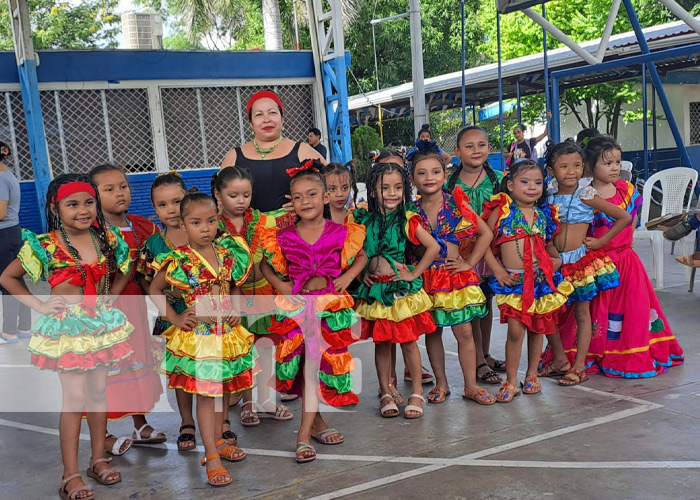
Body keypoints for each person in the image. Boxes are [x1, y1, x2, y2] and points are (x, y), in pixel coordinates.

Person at [0, 173, 134, 500]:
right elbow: (8, 277)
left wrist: (113, 295)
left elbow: (127, 268)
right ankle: (70, 474)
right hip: (68, 330)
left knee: (99, 394)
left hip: (100, 327)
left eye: (89, 202)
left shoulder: (108, 238)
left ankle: (98, 460)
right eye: (72, 204)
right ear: (55, 208)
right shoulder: (45, 245)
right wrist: (41, 306)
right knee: (74, 400)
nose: (83, 210)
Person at [549, 136, 684, 378]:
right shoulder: (578, 192)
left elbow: (627, 219)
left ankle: (624, 352)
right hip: (593, 264)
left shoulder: (622, 190)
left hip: (624, 262)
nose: (614, 168)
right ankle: (585, 354)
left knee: (629, 310)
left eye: (617, 162)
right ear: (590, 166)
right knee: (593, 311)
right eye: (607, 163)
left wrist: (610, 239)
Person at [259, 160, 367, 462]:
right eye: (298, 197)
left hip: (329, 308)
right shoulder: (284, 235)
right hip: (296, 309)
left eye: (311, 195)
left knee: (316, 367)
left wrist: (346, 278)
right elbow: (265, 264)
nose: (305, 201)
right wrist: (281, 287)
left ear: (325, 197)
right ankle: (307, 432)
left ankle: (310, 428)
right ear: (291, 203)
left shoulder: (341, 231)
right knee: (307, 366)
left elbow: (362, 255)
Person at [150, 192, 255, 487]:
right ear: (183, 224)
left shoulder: (226, 254)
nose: (205, 228)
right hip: (198, 336)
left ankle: (220, 441)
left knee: (221, 392)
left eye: (210, 221)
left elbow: (233, 286)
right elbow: (155, 289)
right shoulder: (178, 259)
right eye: (196, 222)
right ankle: (211, 454)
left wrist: (234, 308)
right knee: (207, 396)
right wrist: (175, 317)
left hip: (225, 334)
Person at [537, 141, 630, 386]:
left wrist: (601, 242)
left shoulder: (587, 194)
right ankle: (559, 359)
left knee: (582, 314)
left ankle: (579, 367)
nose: (571, 172)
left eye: (577, 166)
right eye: (564, 166)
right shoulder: (546, 195)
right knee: (548, 312)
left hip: (580, 262)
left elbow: (624, 217)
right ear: (550, 171)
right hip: (555, 263)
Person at [353, 159, 440, 419]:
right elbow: (354, 251)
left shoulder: (408, 220)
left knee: (408, 344)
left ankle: (416, 391)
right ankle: (386, 390)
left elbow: (434, 248)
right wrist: (362, 274)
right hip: (376, 293)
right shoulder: (362, 219)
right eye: (385, 188)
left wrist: (413, 272)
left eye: (398, 188)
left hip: (400, 292)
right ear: (372, 190)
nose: (392, 194)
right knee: (381, 344)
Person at [88, 164, 165, 455]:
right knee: (106, 372)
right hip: (106, 315)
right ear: (94, 197)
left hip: (136, 312)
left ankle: (140, 424)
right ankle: (103, 434)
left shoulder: (143, 226)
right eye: (109, 189)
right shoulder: (93, 232)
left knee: (136, 364)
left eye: (123, 186)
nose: (120, 193)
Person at [483, 160, 573, 402]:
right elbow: (484, 245)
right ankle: (511, 380)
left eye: (538, 182)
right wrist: (498, 271)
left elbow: (551, 249)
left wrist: (554, 263)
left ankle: (531, 374)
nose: (532, 187)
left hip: (541, 282)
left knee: (538, 329)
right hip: (514, 282)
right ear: (510, 185)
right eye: (525, 182)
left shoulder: (545, 215)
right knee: (515, 331)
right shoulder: (501, 212)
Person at [410, 152, 496, 405]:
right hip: (426, 280)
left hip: (454, 278)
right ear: (413, 180)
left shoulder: (457, 203)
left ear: (445, 175)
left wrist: (469, 262)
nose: (429, 178)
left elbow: (486, 233)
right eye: (421, 173)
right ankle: (441, 383)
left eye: (436, 172)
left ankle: (470, 385)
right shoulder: (410, 211)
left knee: (465, 332)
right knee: (433, 333)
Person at [212, 166, 293, 427]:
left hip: (264, 295)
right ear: (218, 194)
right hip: (233, 300)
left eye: (246, 195)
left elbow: (285, 225)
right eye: (233, 195)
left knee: (266, 347)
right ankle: (248, 402)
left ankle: (266, 399)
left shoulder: (261, 221)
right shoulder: (212, 226)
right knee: (242, 351)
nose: (241, 201)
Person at [137, 171, 197, 451]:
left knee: (213, 368)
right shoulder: (153, 245)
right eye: (163, 205)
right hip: (171, 319)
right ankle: (187, 421)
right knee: (180, 373)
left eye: (177, 201)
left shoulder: (204, 230)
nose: (171, 209)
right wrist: (168, 303)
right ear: (155, 209)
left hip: (206, 315)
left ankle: (221, 422)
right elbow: (147, 281)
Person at [447, 126, 505, 386]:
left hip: (490, 251)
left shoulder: (500, 180)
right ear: (457, 151)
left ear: (489, 148)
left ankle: (485, 354)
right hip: (461, 253)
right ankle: (479, 362)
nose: (476, 150)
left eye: (481, 145)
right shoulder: (448, 183)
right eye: (469, 146)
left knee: (486, 304)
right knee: (471, 306)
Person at [220, 90, 325, 214]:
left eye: (272, 113)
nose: (266, 119)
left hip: (294, 230)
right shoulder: (234, 156)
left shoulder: (302, 150)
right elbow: (220, 198)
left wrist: (305, 202)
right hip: (246, 230)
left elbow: (331, 184)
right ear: (251, 124)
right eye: (259, 115)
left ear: (282, 119)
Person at [0, 141, 31, 344]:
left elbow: (1, 213)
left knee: (6, 282)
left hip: (3, 235)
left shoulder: (0, 179)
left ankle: (9, 331)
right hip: (11, 234)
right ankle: (24, 328)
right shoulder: (7, 174)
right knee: (15, 281)